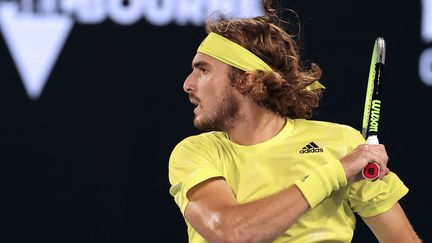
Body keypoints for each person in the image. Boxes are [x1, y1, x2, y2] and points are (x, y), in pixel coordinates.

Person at [168, 0, 422, 242]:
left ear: (246, 79)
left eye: (203, 70)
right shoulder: (195, 153)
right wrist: (338, 171)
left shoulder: (344, 144)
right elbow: (230, 232)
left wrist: (344, 164)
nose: (187, 84)